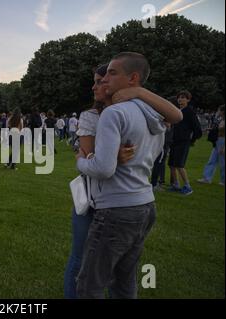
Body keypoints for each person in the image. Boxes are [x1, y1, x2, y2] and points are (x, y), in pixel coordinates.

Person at [63, 63, 182, 299]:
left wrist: (138, 91)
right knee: (84, 260)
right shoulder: (93, 116)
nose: (98, 84)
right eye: (98, 80)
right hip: (100, 199)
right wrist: (111, 155)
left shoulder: (131, 111)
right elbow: (91, 157)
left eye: (104, 79)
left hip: (116, 204)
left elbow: (94, 164)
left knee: (97, 280)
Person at [168, 90, 203, 195]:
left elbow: (198, 130)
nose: (180, 99)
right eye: (179, 97)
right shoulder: (178, 110)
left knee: (179, 165)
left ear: (188, 99)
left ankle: (188, 186)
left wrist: (191, 140)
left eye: (183, 97)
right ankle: (176, 185)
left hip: (183, 142)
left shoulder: (190, 112)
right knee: (171, 164)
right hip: (174, 141)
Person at [198, 105, 225, 186]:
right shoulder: (221, 120)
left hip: (223, 142)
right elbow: (218, 130)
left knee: (223, 162)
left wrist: (224, 147)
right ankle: (206, 178)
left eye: (219, 110)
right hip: (217, 141)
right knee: (212, 160)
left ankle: (223, 181)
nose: (218, 112)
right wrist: (209, 129)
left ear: (223, 111)